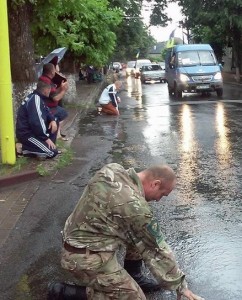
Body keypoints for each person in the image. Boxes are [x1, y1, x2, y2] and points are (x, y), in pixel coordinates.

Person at [48, 163, 204, 300]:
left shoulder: (113, 169)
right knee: (134, 297)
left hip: (75, 238)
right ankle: (64, 292)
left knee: (137, 235)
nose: (159, 200)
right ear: (155, 184)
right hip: (83, 258)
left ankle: (134, 276)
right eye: (162, 194)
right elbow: (156, 249)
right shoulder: (135, 208)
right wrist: (180, 286)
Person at [15, 81, 60, 159]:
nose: (50, 91)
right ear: (46, 90)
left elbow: (47, 111)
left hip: (34, 132)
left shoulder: (39, 98)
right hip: (27, 134)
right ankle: (24, 149)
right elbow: (36, 122)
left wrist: (52, 120)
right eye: (50, 89)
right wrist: (45, 138)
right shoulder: (35, 99)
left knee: (55, 121)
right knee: (52, 152)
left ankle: (46, 146)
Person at [39, 63, 69, 141]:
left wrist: (61, 87)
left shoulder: (47, 79)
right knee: (62, 113)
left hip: (49, 105)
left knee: (61, 113)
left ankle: (57, 133)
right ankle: (54, 133)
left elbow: (53, 92)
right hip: (47, 107)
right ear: (52, 71)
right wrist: (63, 90)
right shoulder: (45, 81)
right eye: (55, 70)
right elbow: (55, 98)